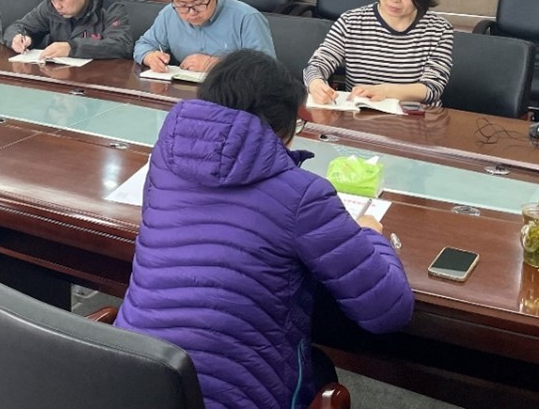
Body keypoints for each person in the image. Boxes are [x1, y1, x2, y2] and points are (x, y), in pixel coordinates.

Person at [116, 50, 414, 409]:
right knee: (319, 371)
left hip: (133, 379)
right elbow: (388, 309)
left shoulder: (165, 164)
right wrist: (371, 235)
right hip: (229, 398)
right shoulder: (302, 194)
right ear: (282, 126)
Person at [304, 0, 454, 107]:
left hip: (415, 118)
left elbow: (433, 88)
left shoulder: (439, 30)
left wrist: (386, 91)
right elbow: (317, 65)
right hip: (360, 116)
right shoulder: (351, 21)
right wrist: (316, 83)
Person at [133, 0, 274, 73]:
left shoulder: (247, 18)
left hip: (232, 93)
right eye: (182, 5)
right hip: (181, 91)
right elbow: (143, 45)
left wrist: (216, 64)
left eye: (198, 4)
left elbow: (265, 69)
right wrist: (149, 57)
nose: (191, 13)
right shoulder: (169, 14)